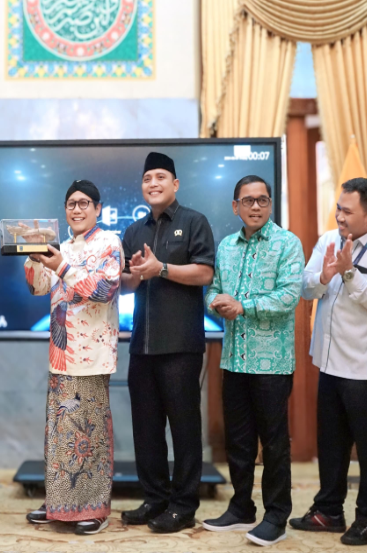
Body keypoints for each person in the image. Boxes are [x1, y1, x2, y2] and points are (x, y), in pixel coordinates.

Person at [290, 178, 367, 546]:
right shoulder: (328, 239)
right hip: (328, 361)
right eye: (339, 208)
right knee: (331, 442)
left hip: (365, 366)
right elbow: (305, 286)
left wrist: (350, 273)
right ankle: (329, 510)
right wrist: (325, 275)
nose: (339, 216)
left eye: (347, 211)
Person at [202, 175, 303, 547]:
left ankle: (276, 516)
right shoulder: (227, 246)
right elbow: (213, 290)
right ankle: (241, 506)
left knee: (274, 443)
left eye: (262, 200)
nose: (256, 206)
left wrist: (243, 306)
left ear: (270, 204)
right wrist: (215, 303)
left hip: (271, 363)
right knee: (238, 440)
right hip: (234, 360)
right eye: (248, 201)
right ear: (236, 207)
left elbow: (289, 296)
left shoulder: (287, 243)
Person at [119, 152, 215, 533]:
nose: (153, 184)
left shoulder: (194, 221)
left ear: (175, 184)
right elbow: (128, 283)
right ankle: (155, 499)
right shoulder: (133, 230)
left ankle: (184, 505)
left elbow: (205, 272)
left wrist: (162, 268)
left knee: (185, 430)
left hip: (180, 347)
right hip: (141, 346)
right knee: (146, 430)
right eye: (147, 179)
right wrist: (134, 276)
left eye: (161, 177)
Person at [22, 180, 123, 535]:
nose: (77, 209)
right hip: (61, 353)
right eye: (71, 204)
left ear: (98, 208)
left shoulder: (109, 242)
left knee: (89, 435)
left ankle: (95, 509)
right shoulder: (60, 246)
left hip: (93, 355)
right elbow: (37, 287)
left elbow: (105, 290)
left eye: (84, 203)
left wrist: (62, 266)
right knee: (60, 434)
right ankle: (59, 503)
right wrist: (34, 256)